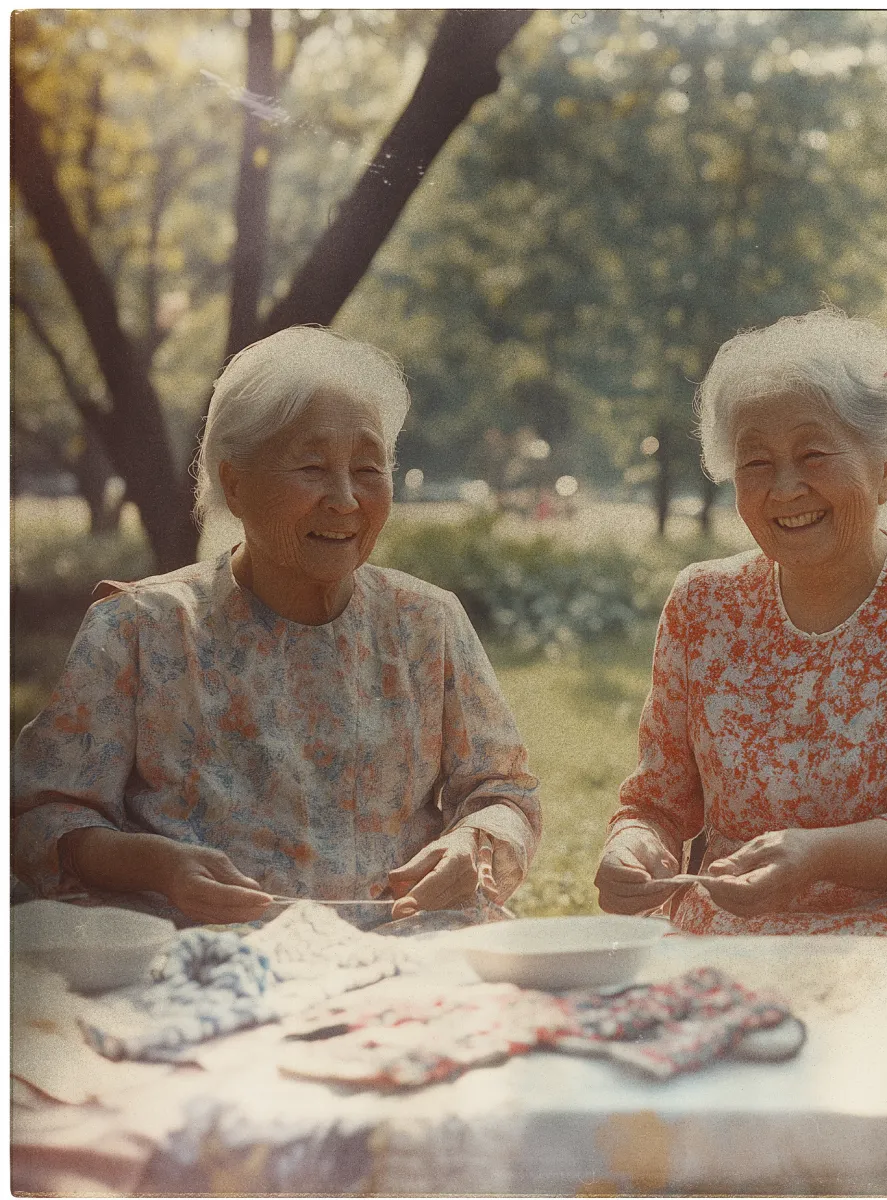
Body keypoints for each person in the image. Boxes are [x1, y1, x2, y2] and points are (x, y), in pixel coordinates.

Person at [12, 327, 542, 926]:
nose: (345, 499)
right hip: (205, 963)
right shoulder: (139, 630)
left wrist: (473, 846)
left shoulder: (427, 623)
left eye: (369, 468)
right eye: (312, 467)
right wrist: (151, 865)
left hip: (400, 956)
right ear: (234, 483)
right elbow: (39, 816)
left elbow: (506, 795)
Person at [594, 308, 887, 938]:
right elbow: (657, 802)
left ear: (885, 468)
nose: (785, 489)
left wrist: (817, 855)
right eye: (756, 464)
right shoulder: (702, 604)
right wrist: (633, 845)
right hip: (736, 922)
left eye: (813, 454)